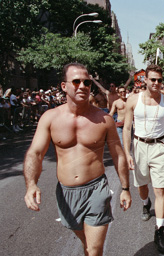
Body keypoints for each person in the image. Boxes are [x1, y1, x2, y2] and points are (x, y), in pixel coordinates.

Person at [23, 63, 132, 256]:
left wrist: (125, 188)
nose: (82, 86)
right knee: (87, 247)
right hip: (66, 194)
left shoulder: (104, 119)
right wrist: (31, 184)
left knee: (94, 249)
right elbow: (35, 153)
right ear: (64, 86)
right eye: (76, 81)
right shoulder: (50, 118)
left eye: (87, 82)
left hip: (96, 189)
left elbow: (118, 154)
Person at [123, 64, 164, 254]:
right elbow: (127, 128)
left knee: (159, 189)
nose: (156, 83)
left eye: (159, 80)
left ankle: (159, 231)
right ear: (145, 79)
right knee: (141, 185)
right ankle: (146, 204)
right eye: (152, 79)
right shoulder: (133, 99)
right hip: (139, 146)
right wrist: (127, 153)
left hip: (159, 147)